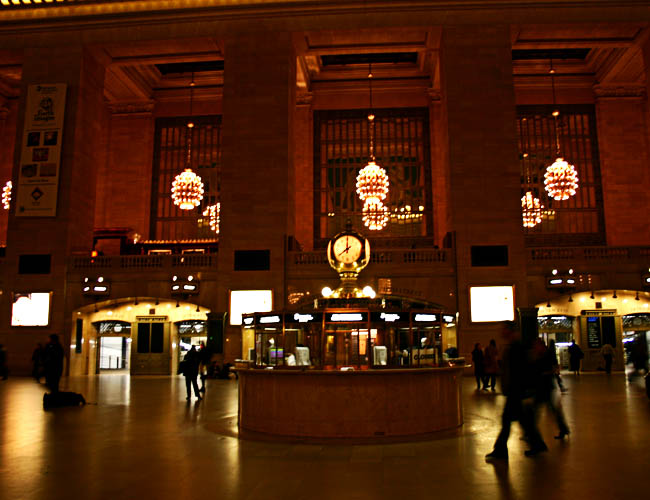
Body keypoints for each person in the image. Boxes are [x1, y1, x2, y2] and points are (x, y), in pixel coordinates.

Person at [485, 322, 547, 460]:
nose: (502, 332)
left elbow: (521, 371)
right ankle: (537, 444)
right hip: (517, 392)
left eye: (504, 329)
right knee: (522, 421)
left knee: (507, 421)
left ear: (510, 331)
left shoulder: (517, 348)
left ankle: (501, 450)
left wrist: (521, 391)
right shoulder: (515, 347)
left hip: (516, 392)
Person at [533, 339, 570, 440]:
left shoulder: (545, 356)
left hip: (545, 387)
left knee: (536, 411)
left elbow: (551, 369)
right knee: (552, 410)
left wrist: (544, 373)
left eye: (537, 346)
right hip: (545, 387)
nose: (535, 348)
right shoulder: (543, 355)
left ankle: (531, 433)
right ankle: (563, 429)